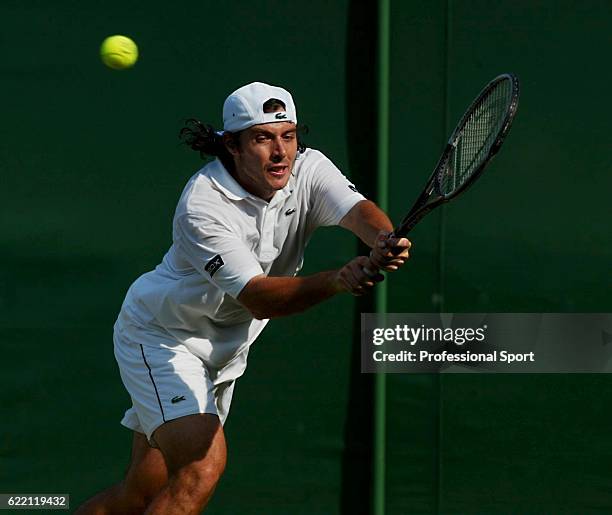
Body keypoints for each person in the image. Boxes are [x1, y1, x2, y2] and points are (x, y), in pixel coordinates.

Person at [76, 81, 411, 514]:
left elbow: (357, 211)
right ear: (232, 146)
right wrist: (338, 280)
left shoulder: (309, 170)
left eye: (288, 136)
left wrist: (382, 238)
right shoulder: (203, 206)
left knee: (139, 495)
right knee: (201, 468)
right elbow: (260, 299)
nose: (280, 152)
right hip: (163, 338)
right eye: (263, 139)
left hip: (225, 350)